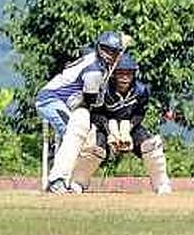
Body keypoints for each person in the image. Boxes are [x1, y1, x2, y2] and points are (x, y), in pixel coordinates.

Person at [67, 53, 172, 195]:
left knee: (150, 147)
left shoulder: (141, 91)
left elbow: (139, 114)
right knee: (95, 149)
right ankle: (78, 183)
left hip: (129, 126)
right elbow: (95, 113)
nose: (124, 78)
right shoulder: (102, 89)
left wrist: (128, 128)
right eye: (120, 73)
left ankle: (162, 184)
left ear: (134, 74)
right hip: (103, 126)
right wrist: (110, 131)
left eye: (129, 74)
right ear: (113, 74)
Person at [39, 31, 128, 193]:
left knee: (84, 136)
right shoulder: (94, 70)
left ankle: (69, 180)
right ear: (99, 48)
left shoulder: (97, 62)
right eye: (106, 50)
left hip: (68, 103)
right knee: (74, 132)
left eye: (114, 51)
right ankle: (56, 180)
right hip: (51, 99)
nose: (109, 55)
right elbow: (90, 102)